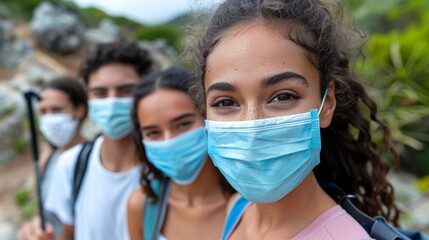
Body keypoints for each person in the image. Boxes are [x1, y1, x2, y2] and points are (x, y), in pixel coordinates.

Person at [195, 0, 402, 239]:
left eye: (283, 96)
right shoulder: (238, 208)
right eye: (225, 102)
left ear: (327, 104)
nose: (250, 127)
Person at [37, 39, 153, 240]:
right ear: (89, 99)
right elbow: (61, 234)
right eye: (100, 93)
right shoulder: (71, 165)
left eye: (126, 91)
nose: (112, 101)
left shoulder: (167, 166)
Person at [127, 66, 234, 240]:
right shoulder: (142, 206)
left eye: (183, 124)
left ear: (207, 118)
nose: (168, 141)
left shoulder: (250, 206)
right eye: (153, 133)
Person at [18, 76, 88, 239]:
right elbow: (41, 211)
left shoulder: (94, 159)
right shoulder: (47, 159)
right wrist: (33, 228)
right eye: (43, 111)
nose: (49, 118)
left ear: (79, 110)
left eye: (57, 110)